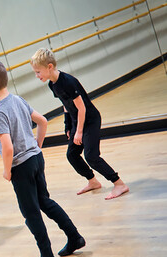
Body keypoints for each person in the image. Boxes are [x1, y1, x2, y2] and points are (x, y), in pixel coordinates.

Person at [0, 59, 85, 257]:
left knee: (31, 213)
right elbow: (42, 121)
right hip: (36, 159)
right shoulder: (17, 99)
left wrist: (7, 171)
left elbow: (7, 148)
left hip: (21, 167)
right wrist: (37, 146)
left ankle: (47, 256)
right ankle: (75, 237)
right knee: (45, 201)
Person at [30, 48, 129, 200]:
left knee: (91, 156)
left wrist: (79, 131)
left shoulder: (68, 82)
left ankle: (119, 183)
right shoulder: (52, 84)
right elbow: (66, 104)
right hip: (78, 120)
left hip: (90, 120)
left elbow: (82, 108)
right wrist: (68, 126)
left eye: (38, 72)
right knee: (72, 155)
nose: (37, 76)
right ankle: (93, 181)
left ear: (50, 67)